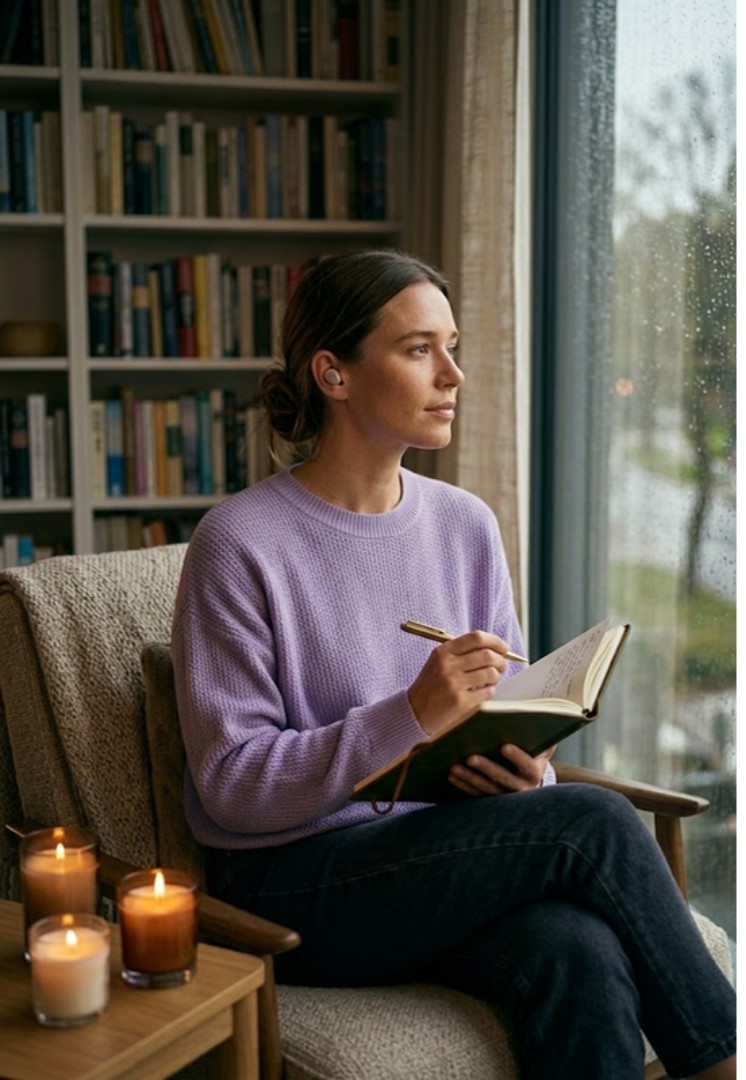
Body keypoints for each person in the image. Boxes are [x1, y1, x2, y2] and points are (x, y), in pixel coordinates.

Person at [171, 249, 736, 1079]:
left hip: (440, 856)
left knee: (575, 951)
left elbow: (506, 707)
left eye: (454, 345)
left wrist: (523, 774)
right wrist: (409, 715)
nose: (454, 375)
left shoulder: (464, 524)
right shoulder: (239, 544)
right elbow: (228, 782)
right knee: (597, 820)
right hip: (291, 885)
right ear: (333, 372)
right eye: (418, 349)